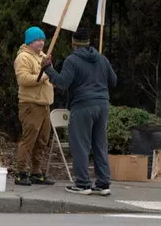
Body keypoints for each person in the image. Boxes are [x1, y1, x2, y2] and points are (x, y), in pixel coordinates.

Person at [41, 27, 117, 196]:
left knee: (80, 145)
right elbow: (114, 81)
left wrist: (48, 68)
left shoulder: (72, 60)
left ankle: (83, 183)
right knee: (100, 144)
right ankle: (103, 183)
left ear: (73, 43)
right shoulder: (102, 59)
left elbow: (62, 82)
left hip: (82, 105)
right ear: (89, 42)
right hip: (103, 104)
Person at [13, 26, 55, 186]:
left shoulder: (43, 57)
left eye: (43, 40)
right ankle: (21, 172)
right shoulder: (23, 57)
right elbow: (23, 79)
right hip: (31, 105)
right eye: (38, 40)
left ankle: (36, 172)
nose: (41, 43)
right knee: (29, 139)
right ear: (30, 41)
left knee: (42, 140)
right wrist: (45, 75)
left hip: (44, 105)